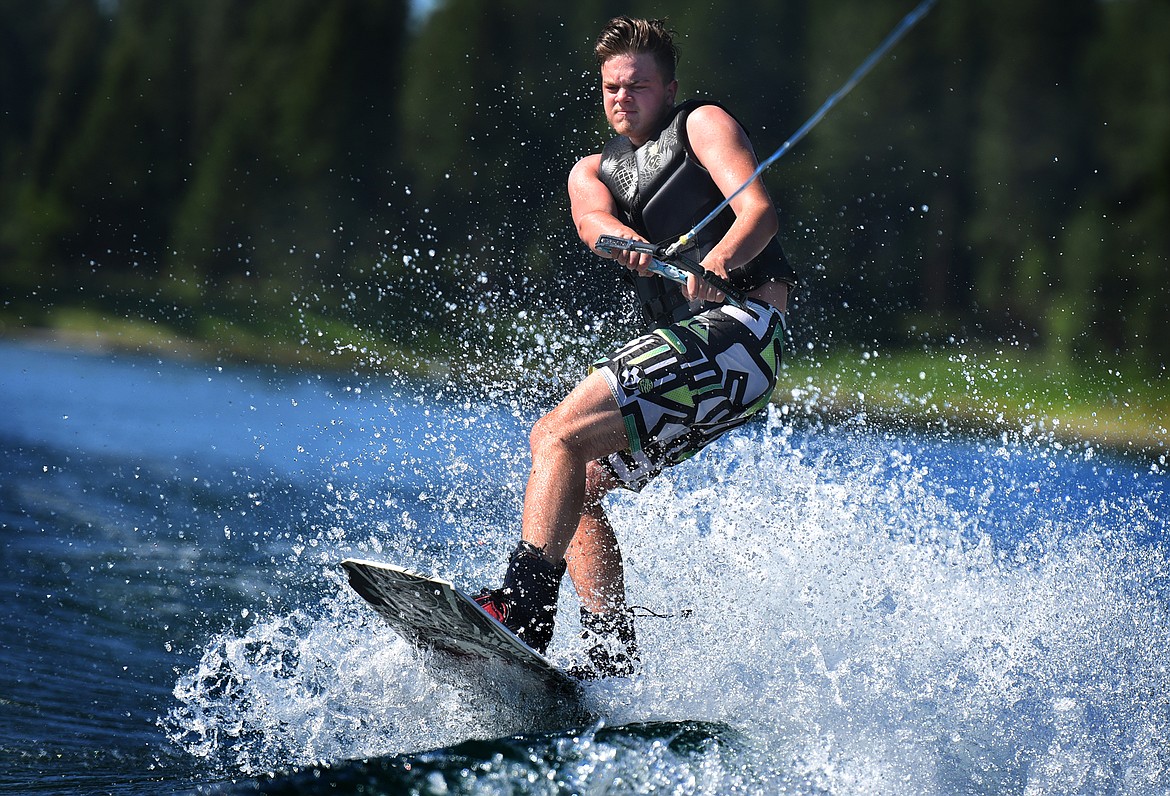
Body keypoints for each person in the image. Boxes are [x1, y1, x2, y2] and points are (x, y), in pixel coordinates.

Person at [474, 16, 798, 678]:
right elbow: (595, 223)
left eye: (638, 85)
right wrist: (637, 250)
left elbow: (759, 209)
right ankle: (610, 651)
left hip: (743, 331)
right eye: (611, 87)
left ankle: (523, 606)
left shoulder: (701, 124)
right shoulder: (591, 171)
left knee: (557, 434)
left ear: (668, 88)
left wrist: (724, 264)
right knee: (577, 479)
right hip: (705, 358)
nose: (623, 97)